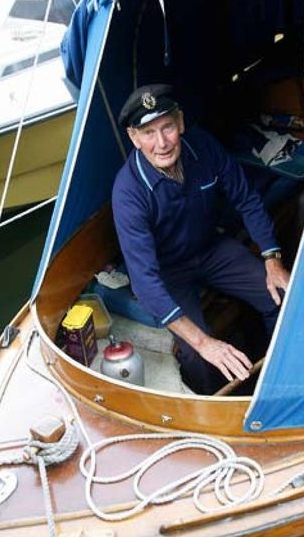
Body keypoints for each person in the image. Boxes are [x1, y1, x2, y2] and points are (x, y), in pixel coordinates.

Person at [111, 84, 290, 395]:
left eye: (167, 127)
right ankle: (223, 408)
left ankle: (278, 374)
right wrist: (205, 343)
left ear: (180, 122)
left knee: (282, 296)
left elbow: (246, 199)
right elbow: (144, 280)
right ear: (134, 138)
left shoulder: (202, 147)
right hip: (168, 273)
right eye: (149, 133)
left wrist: (272, 259)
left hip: (211, 250)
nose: (162, 142)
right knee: (195, 355)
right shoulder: (128, 193)